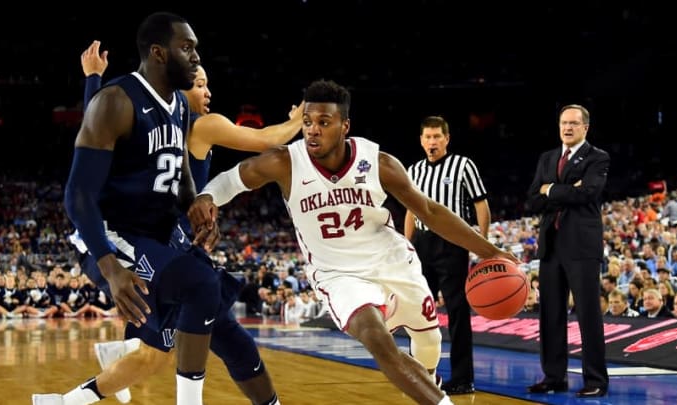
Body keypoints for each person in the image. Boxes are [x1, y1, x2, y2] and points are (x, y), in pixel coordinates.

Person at [188, 79, 519, 405]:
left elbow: (430, 211)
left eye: (323, 122)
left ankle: (428, 381)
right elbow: (233, 178)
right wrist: (206, 196)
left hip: (391, 260)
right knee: (379, 341)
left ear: (345, 126)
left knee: (429, 340)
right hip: (337, 274)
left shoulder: (378, 163)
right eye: (307, 122)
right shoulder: (286, 162)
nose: (312, 130)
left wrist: (490, 250)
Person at [33, 36, 303, 405]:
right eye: (201, 84)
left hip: (171, 239)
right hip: (143, 238)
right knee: (181, 327)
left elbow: (99, 124)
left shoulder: (164, 125)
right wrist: (298, 121)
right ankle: (133, 356)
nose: (208, 91)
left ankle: (71, 395)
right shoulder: (202, 125)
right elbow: (264, 139)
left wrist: (93, 79)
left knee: (177, 348)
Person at [46, 12, 239, 405]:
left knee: (160, 345)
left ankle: (67, 401)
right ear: (158, 53)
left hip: (157, 234)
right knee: (201, 286)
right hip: (114, 235)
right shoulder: (116, 100)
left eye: (197, 50)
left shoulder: (180, 108)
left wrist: (194, 204)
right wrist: (109, 265)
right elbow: (77, 195)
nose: (196, 58)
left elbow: (180, 173)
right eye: (187, 48)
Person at [525, 104, 610, 397]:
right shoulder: (547, 158)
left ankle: (596, 380)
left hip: (582, 246)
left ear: (586, 127)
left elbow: (588, 193)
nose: (567, 128)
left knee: (588, 314)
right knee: (550, 314)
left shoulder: (598, 157)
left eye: (574, 123)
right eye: (563, 123)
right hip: (551, 245)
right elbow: (532, 201)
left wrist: (551, 190)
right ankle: (553, 377)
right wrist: (562, 191)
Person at [403, 115, 490, 395]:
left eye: (437, 137)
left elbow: (481, 204)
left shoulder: (463, 165)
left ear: (447, 139)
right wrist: (407, 246)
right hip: (423, 242)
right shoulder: (414, 170)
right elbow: (409, 211)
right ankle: (422, 374)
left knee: (457, 311)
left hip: (453, 242)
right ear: (420, 140)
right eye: (427, 137)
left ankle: (463, 378)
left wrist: (482, 242)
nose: (432, 142)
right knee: (419, 312)